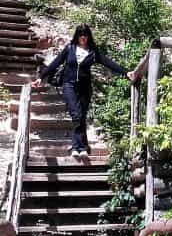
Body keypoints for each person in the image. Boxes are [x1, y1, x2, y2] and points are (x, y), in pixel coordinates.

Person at [35, 25, 134, 158]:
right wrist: (41, 77)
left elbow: (108, 62)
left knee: (81, 117)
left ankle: (83, 148)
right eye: (80, 34)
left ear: (88, 36)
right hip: (69, 85)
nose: (83, 37)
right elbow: (55, 63)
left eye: (85, 35)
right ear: (77, 36)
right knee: (76, 114)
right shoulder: (69, 49)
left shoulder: (93, 52)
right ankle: (77, 147)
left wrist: (125, 72)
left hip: (85, 88)